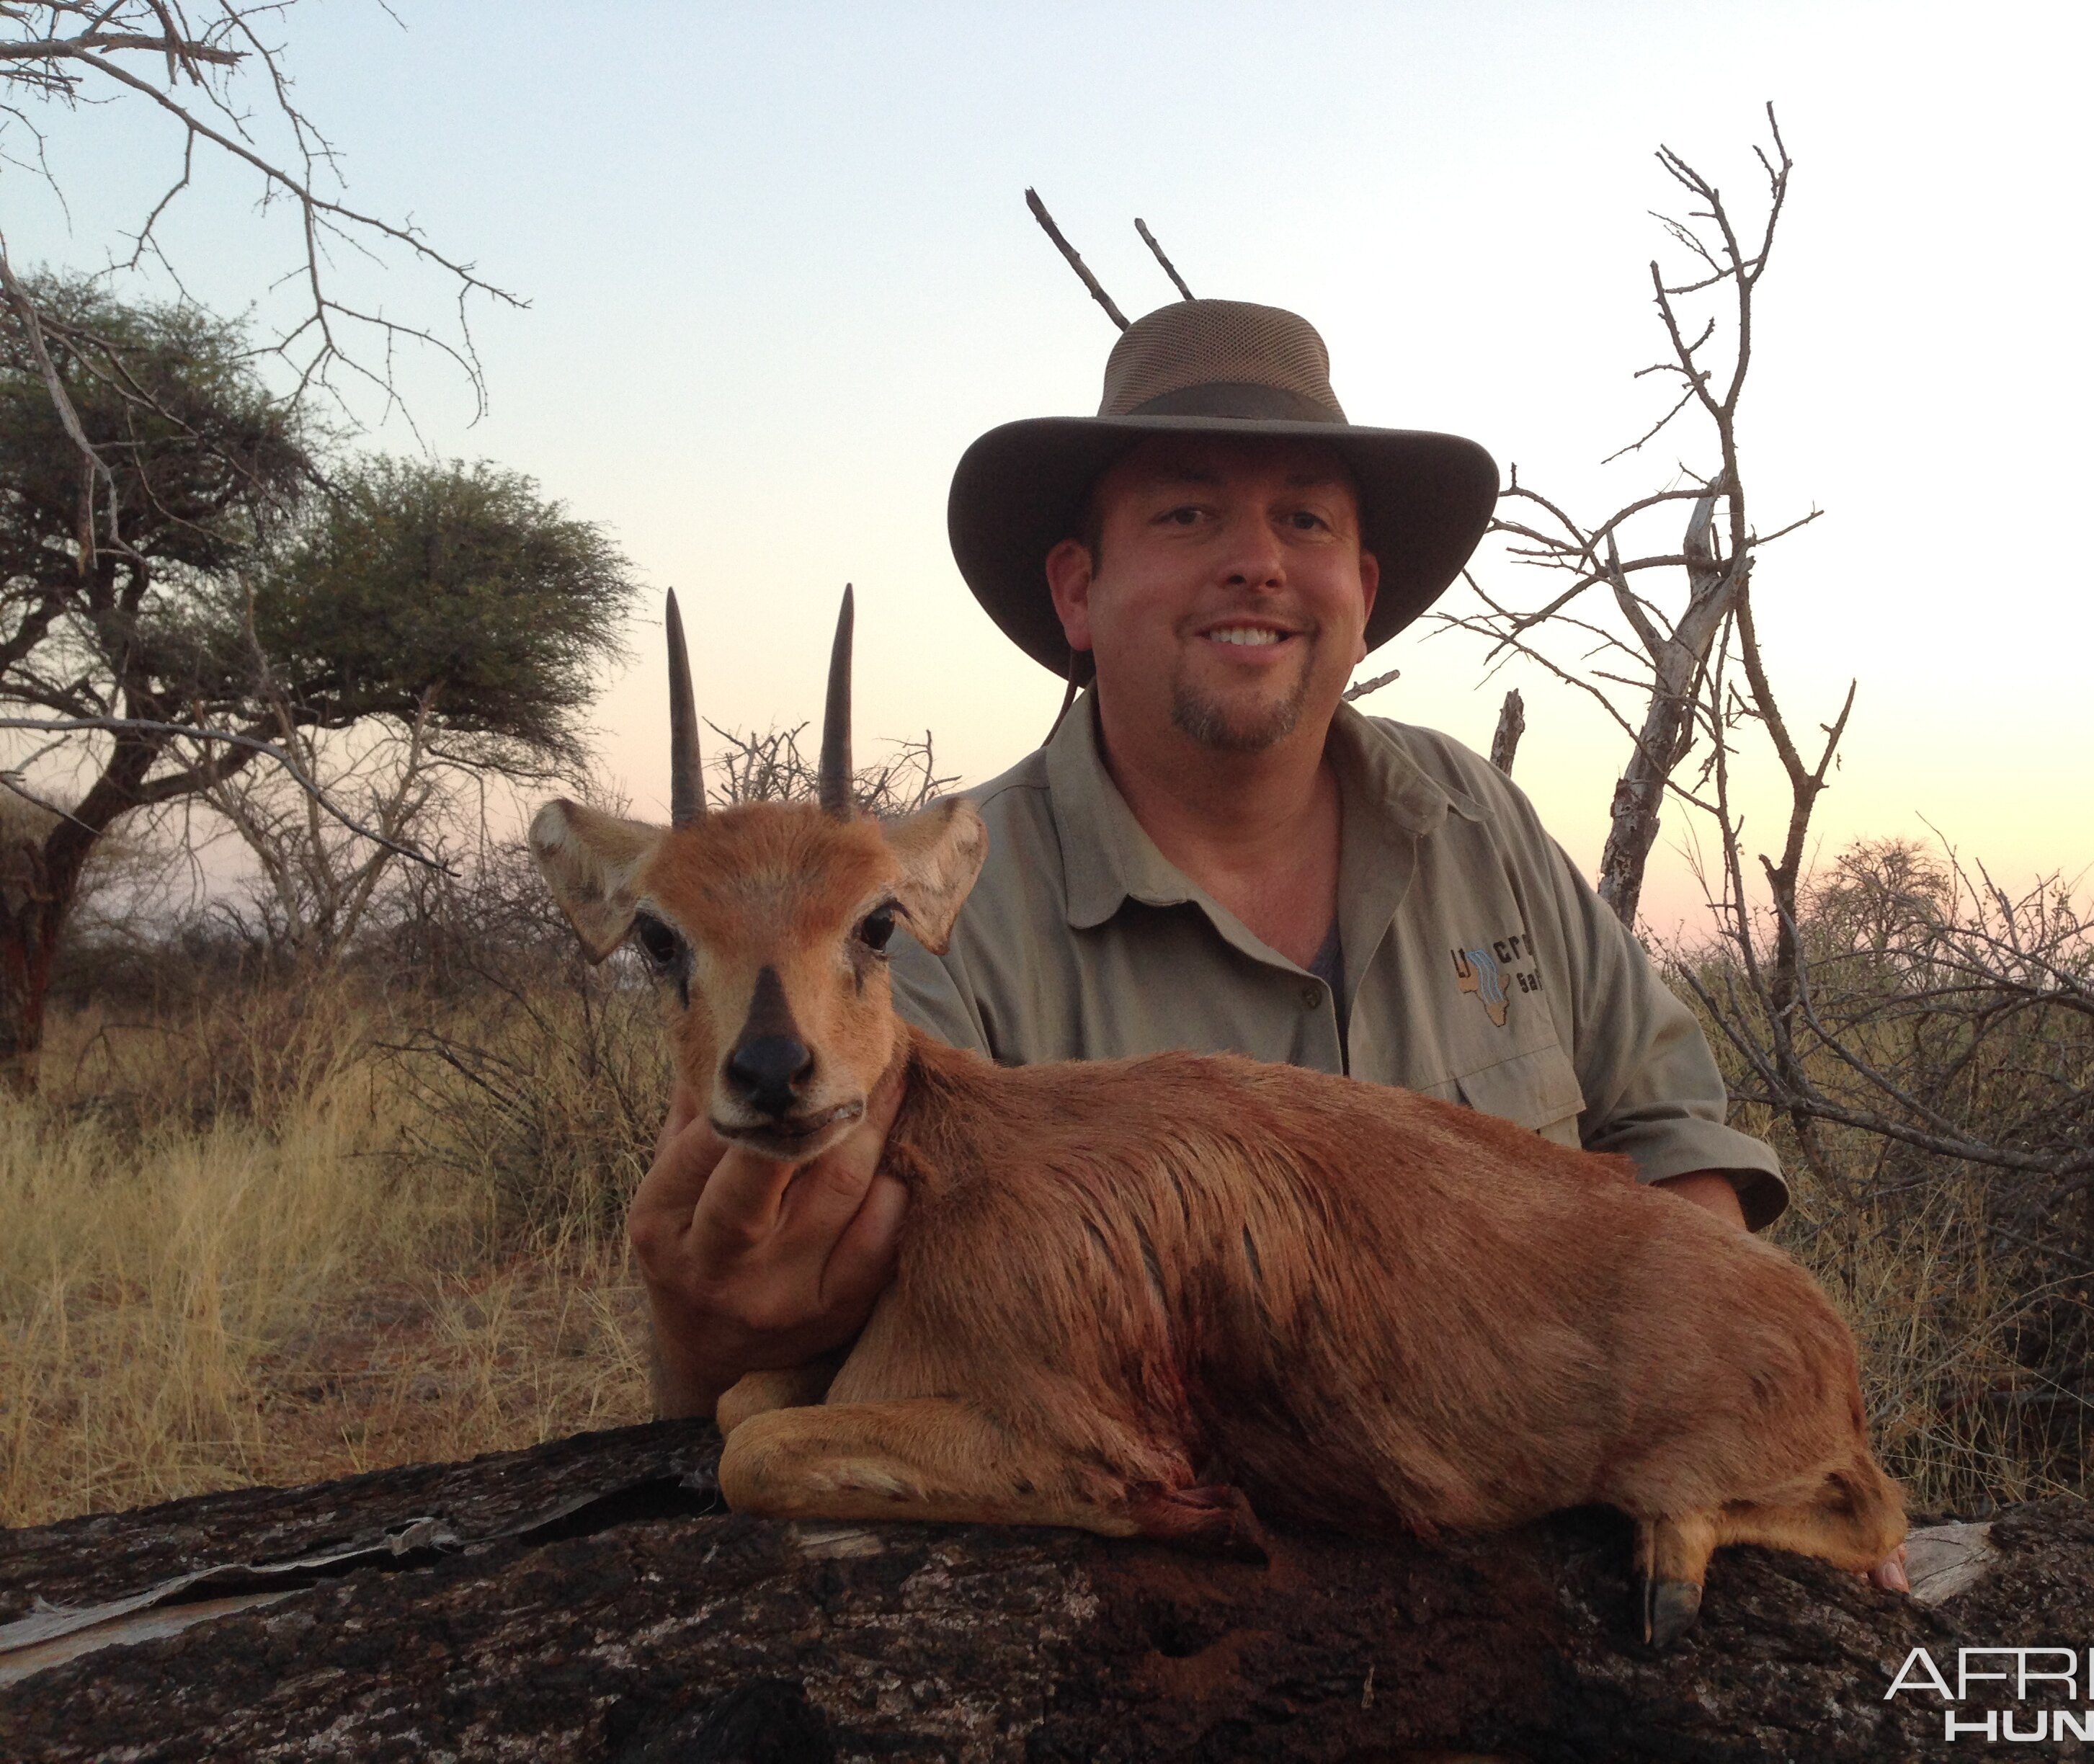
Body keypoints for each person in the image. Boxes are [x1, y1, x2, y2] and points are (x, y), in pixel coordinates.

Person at [629, 300, 1902, 1585]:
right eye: (1187, 516)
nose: (1258, 563)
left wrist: (1684, 1425)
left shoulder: (1480, 822)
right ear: (1081, 587)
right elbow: (829, 1313)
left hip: (1527, 1502)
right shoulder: (917, 922)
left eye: (1306, 520)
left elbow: (1674, 1141)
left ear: (1363, 587)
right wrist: (715, 1329)